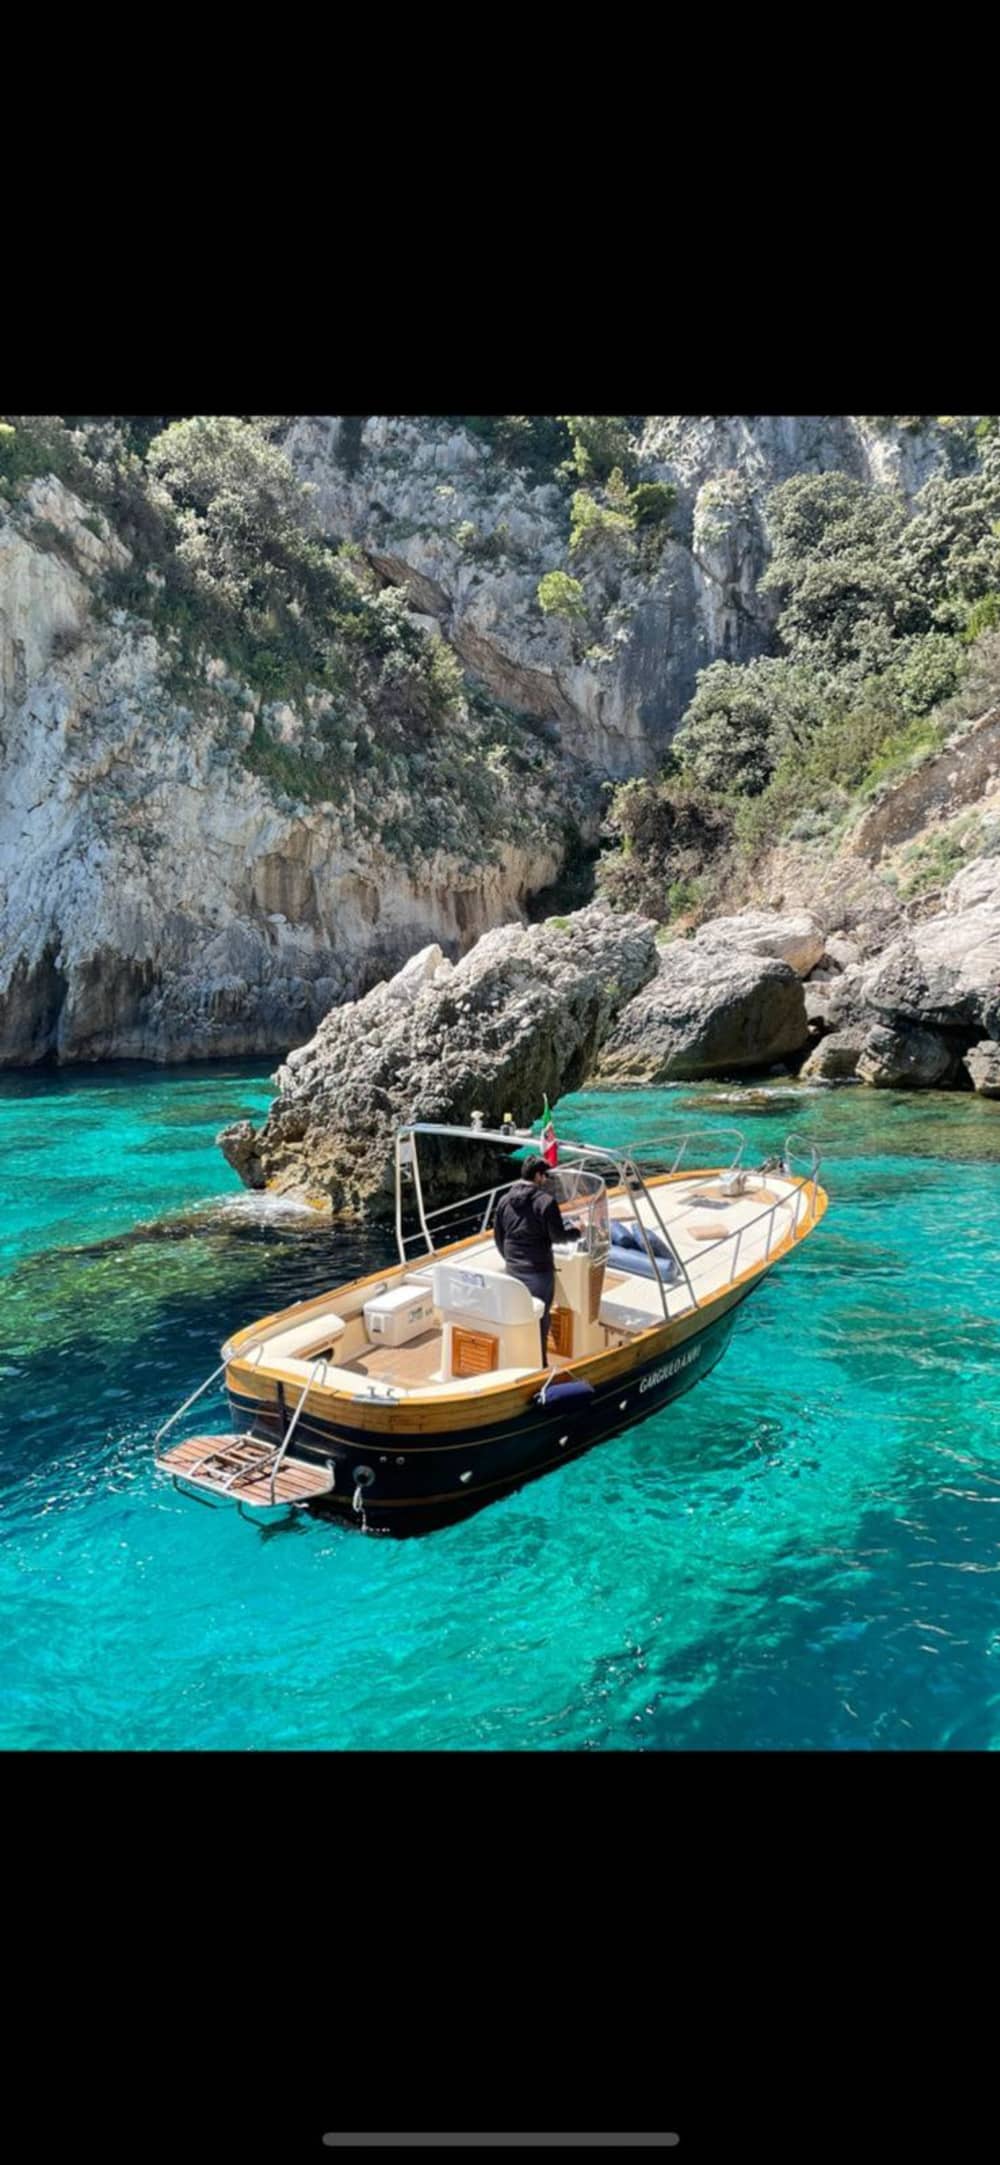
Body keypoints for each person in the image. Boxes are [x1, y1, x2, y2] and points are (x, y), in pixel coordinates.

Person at [493, 1155, 581, 1367]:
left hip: (513, 1270)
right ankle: (540, 1367)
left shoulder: (504, 1200)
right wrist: (578, 1231)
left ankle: (517, 1361)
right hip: (539, 1273)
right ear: (538, 1176)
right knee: (541, 1319)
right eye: (545, 1176)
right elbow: (558, 1237)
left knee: (519, 1315)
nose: (546, 1180)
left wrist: (511, 1260)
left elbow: (499, 1237)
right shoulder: (546, 1202)